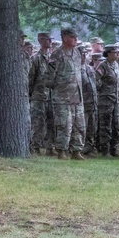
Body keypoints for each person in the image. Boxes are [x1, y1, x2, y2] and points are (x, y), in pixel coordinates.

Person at [45, 27, 86, 159]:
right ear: (65, 38)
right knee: (64, 125)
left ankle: (76, 150)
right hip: (62, 97)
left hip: (77, 96)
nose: (75, 39)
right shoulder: (57, 54)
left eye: (76, 37)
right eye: (72, 37)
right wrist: (59, 87)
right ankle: (62, 151)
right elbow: (48, 78)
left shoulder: (77, 53)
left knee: (79, 125)